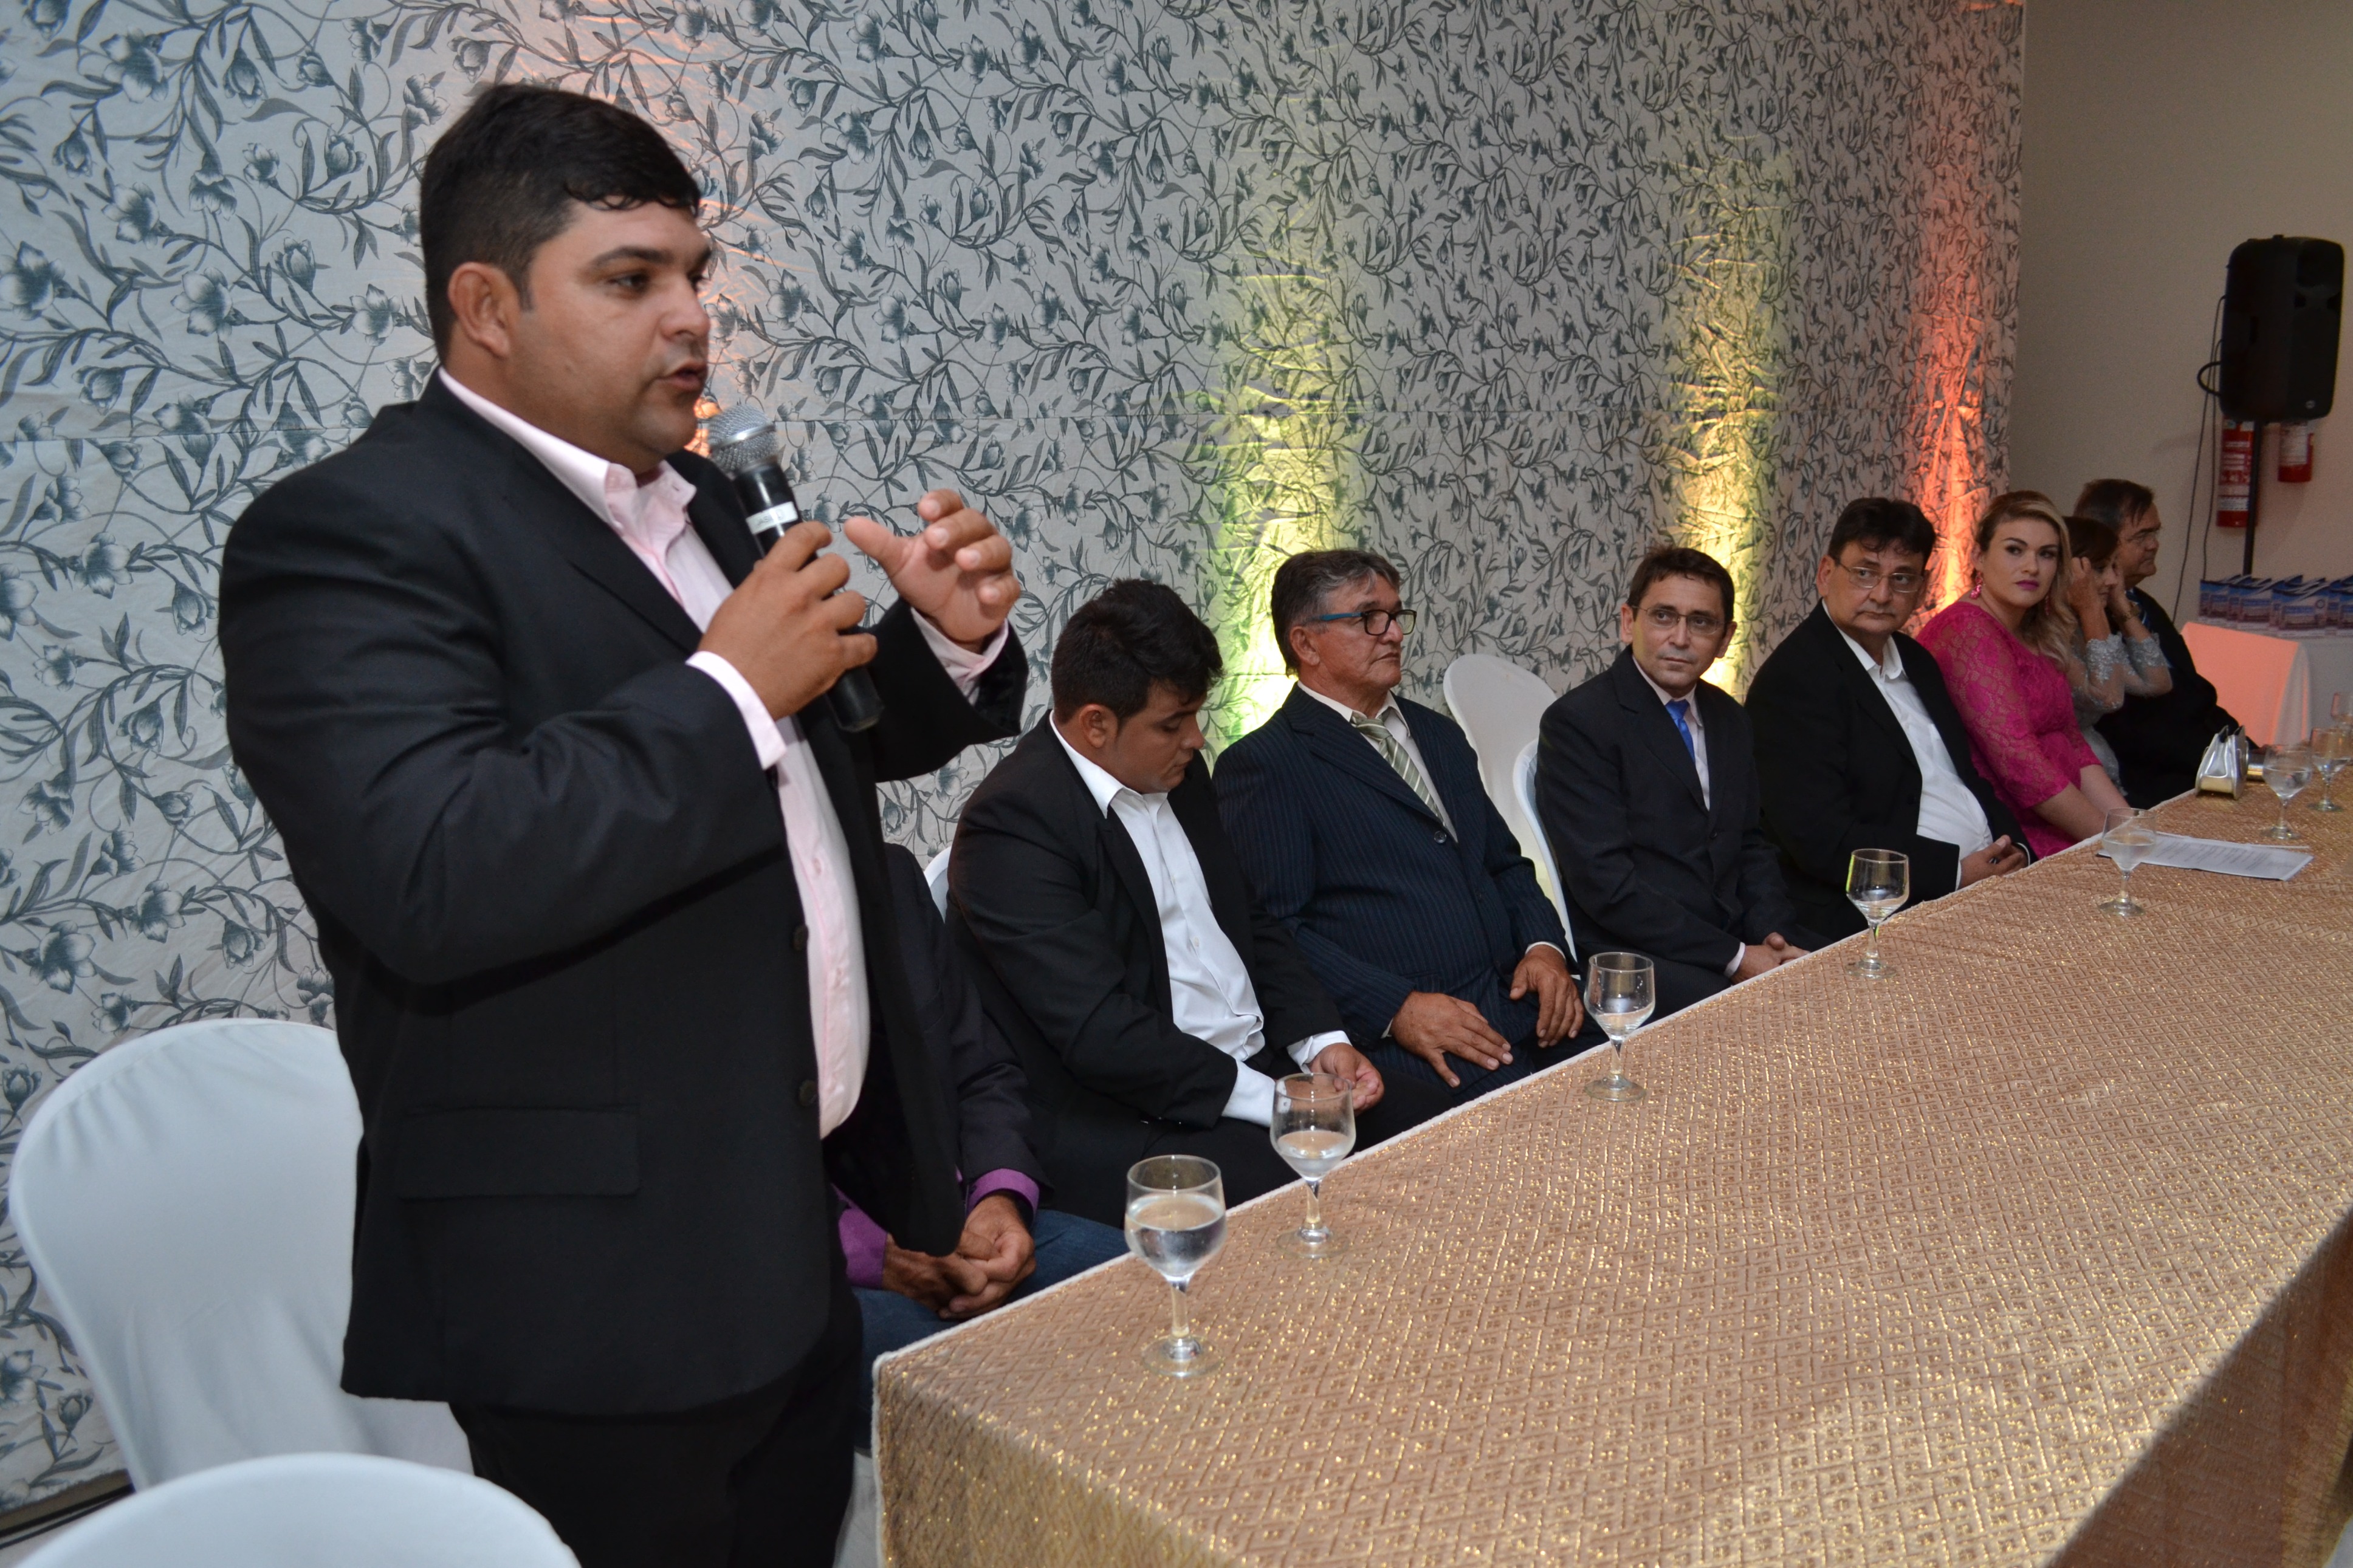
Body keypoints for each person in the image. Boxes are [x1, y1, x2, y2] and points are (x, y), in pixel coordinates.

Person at [218, 85, 1027, 1568]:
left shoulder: (711, 502)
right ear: (486, 307)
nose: (691, 318)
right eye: (630, 278)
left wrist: (946, 646)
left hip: (786, 1225)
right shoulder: (351, 531)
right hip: (593, 1289)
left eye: (694, 274)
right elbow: (433, 867)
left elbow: (827, 753)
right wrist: (729, 687)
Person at [947, 580, 1449, 1226]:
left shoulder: (1176, 774)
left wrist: (1319, 1042)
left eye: (1196, 715)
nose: (1197, 739)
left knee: (1445, 1133)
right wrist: (1278, 1101)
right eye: (1172, 722)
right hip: (1139, 1117)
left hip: (1257, 1072)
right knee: (1347, 1206)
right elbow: (1102, 1033)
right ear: (1096, 724)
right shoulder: (1013, 825)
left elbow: (1249, 921)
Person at [1217, 550, 1596, 1104]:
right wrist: (1398, 1009)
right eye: (1369, 618)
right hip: (1428, 1046)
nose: (1394, 633)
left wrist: (1545, 949)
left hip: (1529, 1006)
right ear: (1306, 644)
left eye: (1396, 615)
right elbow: (1277, 931)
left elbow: (1504, 864)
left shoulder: (1439, 734)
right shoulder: (1265, 764)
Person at [849, 845, 1127, 1419]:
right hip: (820, 1266)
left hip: (963, 1217)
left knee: (1169, 1296)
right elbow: (705, 1168)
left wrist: (1000, 1198)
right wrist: (877, 1253)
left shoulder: (888, 875)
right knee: (1018, 1400)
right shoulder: (698, 909)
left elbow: (983, 1069)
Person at [1535, 546, 1821, 1018]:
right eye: (1664, 616)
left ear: (1726, 638)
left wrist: (1774, 937)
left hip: (1731, 935)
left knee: (1841, 972)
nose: (1681, 638)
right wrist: (1736, 957)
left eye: (1702, 622)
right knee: (1768, 1014)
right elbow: (1608, 886)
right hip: (1635, 952)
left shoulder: (1730, 717)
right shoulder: (1580, 722)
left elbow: (1750, 844)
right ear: (1629, 622)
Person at [1747, 499, 2030, 940]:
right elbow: (1823, 839)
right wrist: (1956, 875)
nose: (1882, 595)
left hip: (1986, 883)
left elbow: (1964, 778)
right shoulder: (1794, 680)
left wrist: (2018, 851)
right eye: (1865, 573)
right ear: (1826, 573)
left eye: (1901, 578)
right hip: (1882, 909)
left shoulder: (1917, 660)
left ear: (1922, 587)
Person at [1917, 492, 2130, 858]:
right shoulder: (1968, 630)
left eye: (2046, 554)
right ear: (1979, 557)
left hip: (2063, 820)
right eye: (2015, 550)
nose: (2032, 567)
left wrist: (2127, 827)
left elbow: (2073, 741)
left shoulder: (2036, 629)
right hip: (2009, 834)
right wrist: (2110, 841)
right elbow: (2021, 767)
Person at [2075, 479, 2238, 805]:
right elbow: (2128, 718)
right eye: (2141, 537)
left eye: (2155, 533)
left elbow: (2179, 686)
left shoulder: (2140, 602)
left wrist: (2235, 744)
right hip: (2154, 771)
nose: (2154, 545)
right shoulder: (2086, 619)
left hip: (2200, 747)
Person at [2060, 512, 2173, 788]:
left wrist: (2120, 602)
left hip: (2097, 763)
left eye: (2115, 568)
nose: (2112, 580)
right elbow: (2108, 699)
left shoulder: (2082, 629)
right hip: (2066, 769)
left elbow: (2158, 682)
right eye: (2101, 568)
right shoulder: (2049, 638)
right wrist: (2090, 607)